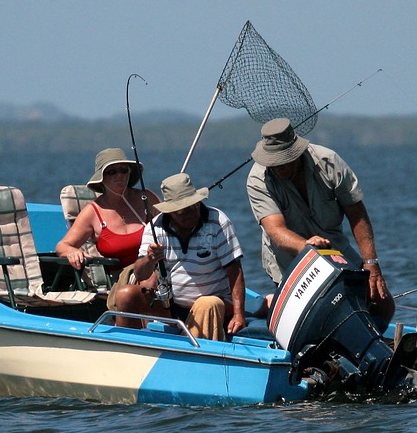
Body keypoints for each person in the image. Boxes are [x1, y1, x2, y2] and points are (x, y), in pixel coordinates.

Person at [246, 117, 394, 326]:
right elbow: (275, 230)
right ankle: (271, 305)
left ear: (296, 152)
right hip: (289, 257)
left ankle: (372, 340)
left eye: (284, 160)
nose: (278, 167)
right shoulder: (258, 179)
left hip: (335, 247)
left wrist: (371, 263)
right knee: (321, 311)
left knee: (382, 301)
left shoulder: (328, 162)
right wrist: (305, 246)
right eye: (273, 162)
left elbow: (357, 214)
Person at [115, 173, 247, 341]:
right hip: (172, 304)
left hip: (217, 303)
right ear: (170, 212)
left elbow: (235, 271)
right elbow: (140, 274)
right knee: (125, 295)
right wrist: (150, 259)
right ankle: (129, 348)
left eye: (194, 206)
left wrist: (238, 314)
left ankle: (196, 355)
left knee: (206, 304)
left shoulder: (218, 221)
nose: (190, 214)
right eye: (182, 212)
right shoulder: (155, 228)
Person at [55, 148, 160, 272]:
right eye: (112, 172)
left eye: (123, 170)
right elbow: (62, 246)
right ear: (101, 178)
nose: (119, 175)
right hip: (122, 279)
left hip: (157, 270)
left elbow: (172, 226)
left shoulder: (146, 198)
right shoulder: (93, 212)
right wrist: (72, 252)